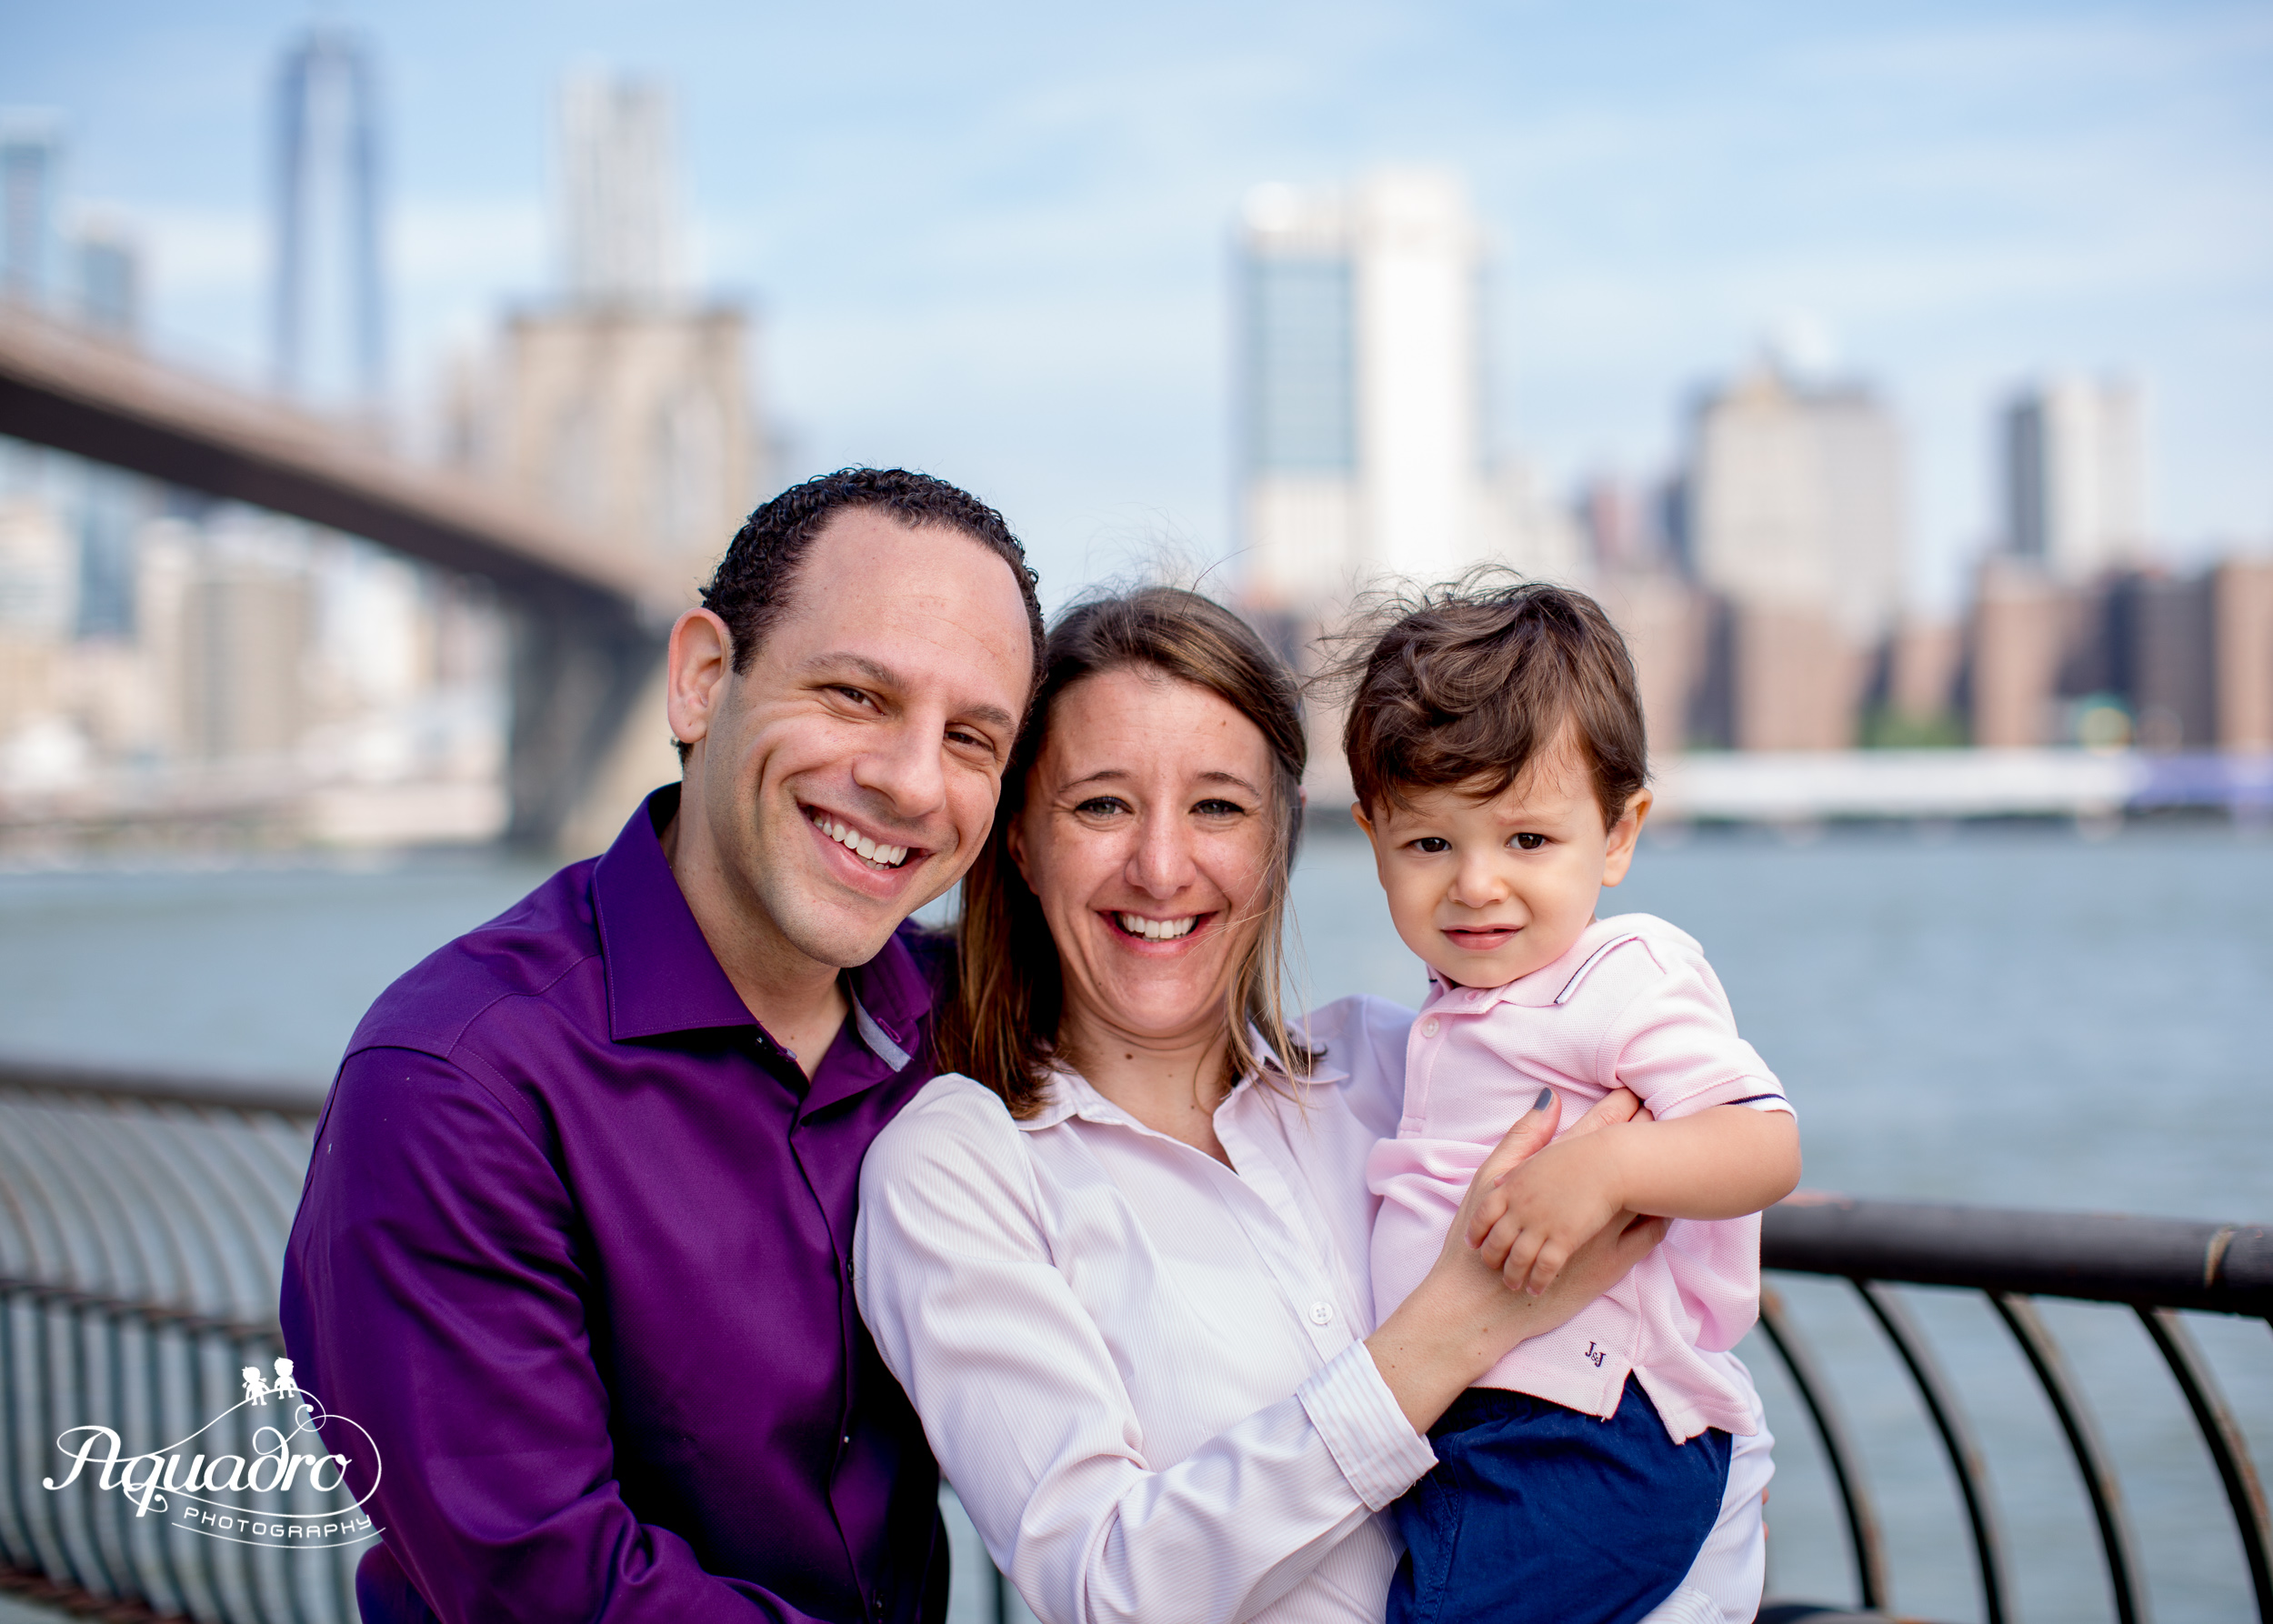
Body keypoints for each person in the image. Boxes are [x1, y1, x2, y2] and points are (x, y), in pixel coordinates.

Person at [854, 586, 1769, 1624]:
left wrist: (1703, 1549)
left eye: (1218, 807)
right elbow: (1109, 1591)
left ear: (1280, 838)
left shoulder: (1413, 1065)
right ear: (1020, 839)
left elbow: (1686, 1372)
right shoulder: (959, 1168)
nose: (1161, 866)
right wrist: (1455, 1328)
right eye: (1102, 804)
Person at [279, 468, 1046, 1623]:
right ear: (699, 679)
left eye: (972, 738)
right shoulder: (455, 1081)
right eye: (854, 695)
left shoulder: (957, 1024)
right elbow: (544, 1583)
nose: (909, 781)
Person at [1345, 578, 1802, 1624]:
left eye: (1526, 841)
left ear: (1619, 832)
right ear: (1374, 838)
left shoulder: (1621, 971)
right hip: (1478, 1423)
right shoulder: (1449, 1007)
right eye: (1429, 844)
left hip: (1593, 1423)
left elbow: (1763, 1143)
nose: (1475, 884)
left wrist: (1600, 1170)